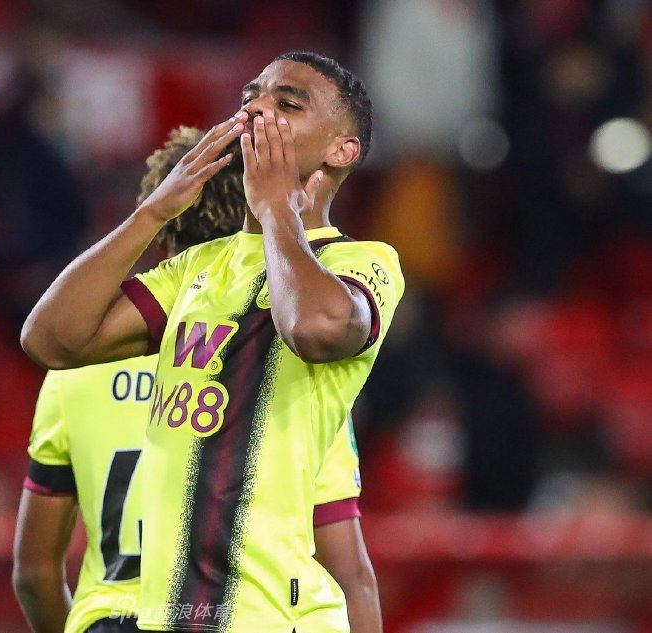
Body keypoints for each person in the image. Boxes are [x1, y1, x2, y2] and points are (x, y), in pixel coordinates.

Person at [21, 51, 403, 632]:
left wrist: (276, 209)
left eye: (287, 104)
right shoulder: (197, 268)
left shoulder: (362, 261)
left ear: (341, 150)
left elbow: (314, 328)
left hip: (276, 620)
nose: (257, 109)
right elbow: (51, 340)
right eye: (251, 96)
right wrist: (151, 214)